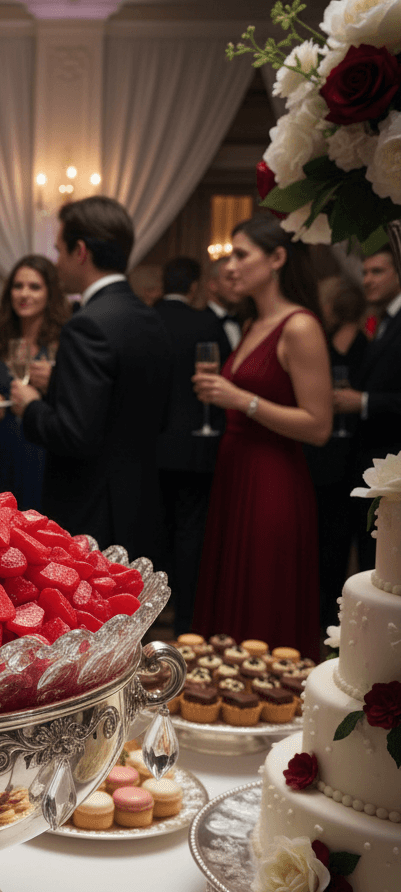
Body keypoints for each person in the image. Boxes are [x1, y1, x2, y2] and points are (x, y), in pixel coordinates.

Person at [191, 216, 332, 659]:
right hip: (235, 471)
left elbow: (319, 425)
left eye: (240, 255)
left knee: (263, 596)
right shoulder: (253, 323)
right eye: (228, 255)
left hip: (273, 478)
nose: (229, 266)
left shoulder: (299, 326)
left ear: (277, 258)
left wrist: (241, 399)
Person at [11, 197, 172, 558]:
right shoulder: (150, 318)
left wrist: (31, 406)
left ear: (80, 251)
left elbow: (74, 435)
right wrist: (61, 383)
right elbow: (146, 408)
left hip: (93, 508)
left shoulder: (87, 324)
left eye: (59, 251)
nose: (57, 262)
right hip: (141, 502)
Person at [153, 256, 230, 636]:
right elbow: (227, 379)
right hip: (195, 446)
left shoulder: (147, 319)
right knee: (190, 532)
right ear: (195, 286)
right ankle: (186, 619)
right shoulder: (207, 323)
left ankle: (151, 613)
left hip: (150, 448)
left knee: (154, 530)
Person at [334, 247, 401, 570]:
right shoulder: (385, 320)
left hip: (394, 456)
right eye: (364, 273)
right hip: (371, 456)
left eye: (377, 271)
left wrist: (362, 401)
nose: (367, 280)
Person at [309, 274, 368, 631]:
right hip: (327, 456)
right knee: (325, 543)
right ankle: (324, 617)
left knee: (340, 542)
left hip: (352, 455)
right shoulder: (329, 343)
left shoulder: (366, 345)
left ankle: (335, 619)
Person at [0, 256, 68, 509]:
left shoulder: (62, 343)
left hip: (43, 448)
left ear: (50, 294)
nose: (24, 294)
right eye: (18, 286)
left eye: (34, 287)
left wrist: (54, 383)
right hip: (4, 444)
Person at [205, 256, 243, 351]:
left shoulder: (246, 322)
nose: (236, 284)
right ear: (213, 285)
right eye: (230, 278)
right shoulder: (199, 323)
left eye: (239, 279)